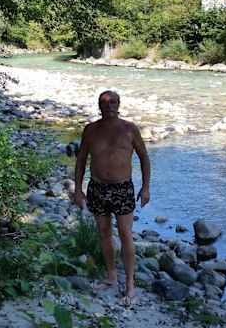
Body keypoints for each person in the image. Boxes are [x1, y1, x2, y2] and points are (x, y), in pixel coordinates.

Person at [74, 90, 151, 305]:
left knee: (125, 233)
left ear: (119, 104)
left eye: (113, 102)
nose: (109, 106)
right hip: (97, 187)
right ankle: (111, 276)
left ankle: (130, 284)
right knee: (104, 232)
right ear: (99, 106)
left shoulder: (129, 129)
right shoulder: (90, 130)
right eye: (105, 103)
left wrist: (145, 188)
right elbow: (81, 160)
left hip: (122, 188)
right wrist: (78, 189)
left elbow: (144, 158)